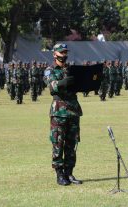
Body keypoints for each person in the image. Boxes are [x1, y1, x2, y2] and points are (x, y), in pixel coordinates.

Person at [46, 43, 83, 186]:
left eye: (66, 52)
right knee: (58, 143)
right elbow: (52, 87)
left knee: (72, 145)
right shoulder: (50, 70)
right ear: (54, 54)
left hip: (73, 111)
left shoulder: (71, 69)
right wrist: (64, 82)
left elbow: (79, 86)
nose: (64, 55)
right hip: (59, 112)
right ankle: (60, 174)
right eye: (61, 52)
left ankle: (69, 173)